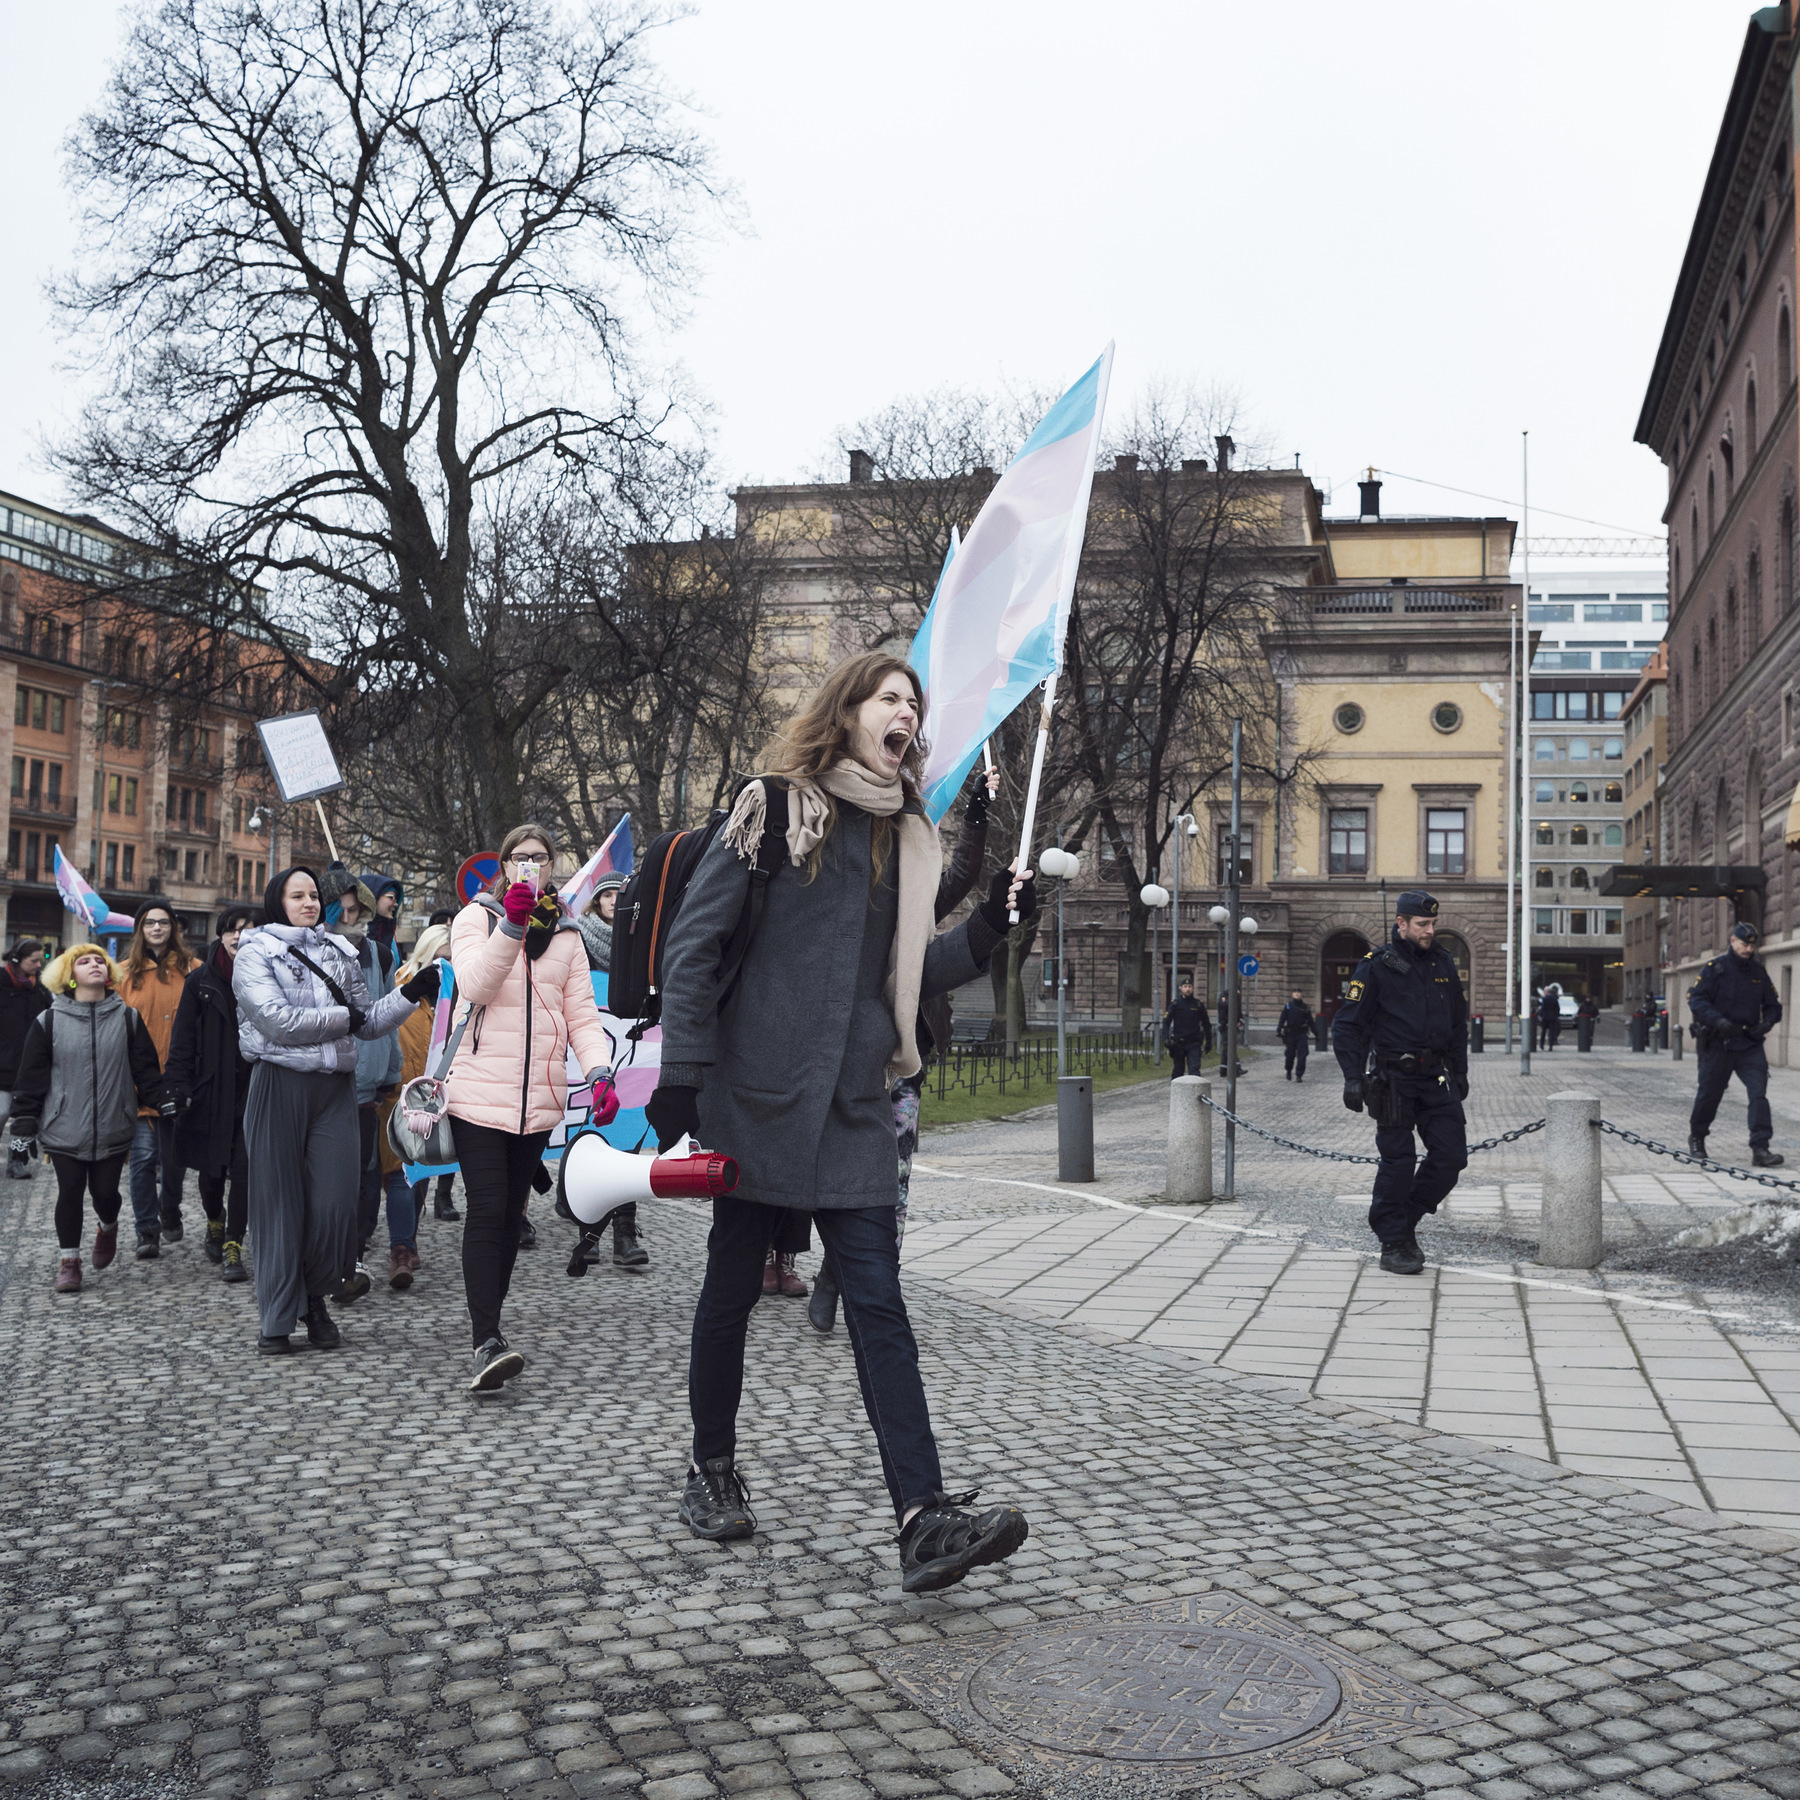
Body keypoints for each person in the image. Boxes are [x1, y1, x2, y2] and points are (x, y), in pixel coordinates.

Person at [649, 650, 1033, 1594]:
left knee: (879, 1304)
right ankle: (710, 1468)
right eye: (889, 697)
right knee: (731, 1289)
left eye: (914, 703)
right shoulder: (775, 809)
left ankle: (922, 1519)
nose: (907, 712)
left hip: (855, 1105)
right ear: (849, 711)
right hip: (759, 1096)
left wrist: (989, 930)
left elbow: (906, 976)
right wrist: (682, 1073)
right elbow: (694, 943)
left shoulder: (904, 839)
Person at [808, 766, 999, 1335]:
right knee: (833, 1175)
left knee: (892, 1180)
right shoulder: (836, 890)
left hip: (901, 1063)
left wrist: (978, 810)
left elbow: (962, 873)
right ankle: (833, 1263)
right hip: (841, 1057)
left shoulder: (916, 895)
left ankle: (858, 1284)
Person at [233, 867, 431, 1354]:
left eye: (313, 895)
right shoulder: (256, 951)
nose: (309, 903)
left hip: (335, 1089)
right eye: (296, 895)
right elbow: (276, 1021)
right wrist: (345, 1017)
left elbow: (369, 1023)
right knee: (279, 1206)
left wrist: (409, 993)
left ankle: (317, 1297)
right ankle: (279, 1317)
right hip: (278, 1083)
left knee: (336, 1203)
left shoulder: (340, 951)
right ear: (276, 901)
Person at [447, 823, 612, 1392]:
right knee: (488, 1208)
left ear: (551, 866)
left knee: (510, 1216)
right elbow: (475, 986)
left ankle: (489, 1328)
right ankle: (486, 1338)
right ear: (503, 865)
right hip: (476, 1094)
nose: (530, 865)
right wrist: (510, 925)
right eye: (520, 857)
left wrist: (598, 1073)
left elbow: (581, 1015)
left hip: (538, 1101)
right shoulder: (477, 918)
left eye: (540, 858)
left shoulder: (566, 933)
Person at [10, 943, 165, 1293]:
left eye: (100, 960)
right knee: (70, 1191)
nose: (95, 964)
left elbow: (146, 1072)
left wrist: (165, 1104)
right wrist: (23, 1124)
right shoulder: (49, 1021)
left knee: (105, 1193)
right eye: (84, 961)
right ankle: (69, 1262)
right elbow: (31, 1076)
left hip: (114, 1123)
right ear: (69, 975)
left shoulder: (128, 1018)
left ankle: (108, 1225)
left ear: (108, 972)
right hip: (63, 1126)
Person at [1331, 890, 1469, 1277]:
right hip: (1394, 1080)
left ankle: (1405, 1218)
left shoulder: (1442, 961)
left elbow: (1457, 1021)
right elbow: (1348, 1024)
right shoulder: (1375, 966)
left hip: (1435, 1077)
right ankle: (1393, 1242)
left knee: (1452, 1157)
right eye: (1422, 924)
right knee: (1398, 1162)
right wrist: (1352, 1076)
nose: (1430, 930)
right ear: (1401, 924)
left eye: (1433, 924)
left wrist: (1460, 1071)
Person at [321, 870, 418, 1293]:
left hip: (372, 1087)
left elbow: (385, 1020)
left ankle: (361, 1254)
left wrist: (391, 1073)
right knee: (336, 1180)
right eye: (343, 910)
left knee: (371, 1178)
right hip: (330, 1084)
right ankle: (333, 1257)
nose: (352, 918)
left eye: (357, 909)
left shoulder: (378, 954)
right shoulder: (315, 951)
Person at [165, 905, 258, 1282]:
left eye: (246, 929)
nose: (238, 936)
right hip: (211, 1089)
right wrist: (178, 1084)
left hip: (252, 1088)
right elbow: (183, 1039)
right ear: (220, 935)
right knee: (211, 1170)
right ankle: (215, 1219)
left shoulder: (265, 975)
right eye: (231, 929)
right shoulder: (199, 980)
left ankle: (234, 1242)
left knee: (244, 1169)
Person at [119, 901, 200, 1257]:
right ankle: (146, 1230)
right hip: (137, 1082)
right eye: (149, 922)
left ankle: (169, 1208)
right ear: (140, 928)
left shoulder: (193, 970)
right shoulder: (123, 974)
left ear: (173, 928)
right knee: (142, 1159)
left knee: (174, 1161)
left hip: (180, 1079)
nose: (156, 928)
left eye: (163, 922)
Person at [574, 870, 647, 1270]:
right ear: (596, 901)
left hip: (631, 1047)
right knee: (590, 1139)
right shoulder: (579, 939)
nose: (613, 901)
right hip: (592, 1048)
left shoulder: (641, 937)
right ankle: (588, 1233)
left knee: (626, 1141)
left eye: (621, 895)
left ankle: (625, 1234)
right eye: (607, 895)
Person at [1688, 921, 1785, 1166]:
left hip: (1749, 1044)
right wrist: (1717, 1020)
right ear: (1733, 941)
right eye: (1744, 944)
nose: (1748, 949)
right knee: (1709, 1094)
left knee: (1758, 1095)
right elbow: (1697, 1000)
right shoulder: (1715, 969)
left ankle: (1760, 1148)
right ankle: (1697, 1138)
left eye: (1752, 945)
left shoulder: (1758, 972)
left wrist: (1767, 1024)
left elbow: (1773, 1006)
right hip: (1719, 1043)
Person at [0, 939, 50, 1176]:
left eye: (41, 961)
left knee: (26, 1117)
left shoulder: (40, 987)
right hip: (4, 1063)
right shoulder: (1, 982)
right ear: (17, 960)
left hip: (31, 1065)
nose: (39, 965)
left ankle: (16, 1162)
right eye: (34, 961)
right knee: (1, 1112)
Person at [1162, 979, 1209, 1079]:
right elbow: (1166, 1022)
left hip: (1194, 1043)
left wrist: (1209, 1041)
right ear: (1181, 988)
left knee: (1194, 1072)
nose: (1187, 989)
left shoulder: (1198, 1005)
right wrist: (1165, 1038)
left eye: (1190, 986)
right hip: (1179, 1043)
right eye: (1185, 987)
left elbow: (1206, 1023)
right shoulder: (1175, 1004)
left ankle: (1195, 1089)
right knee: (1178, 1072)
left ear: (1193, 988)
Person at [1279, 989, 1314, 1081]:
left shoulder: (1305, 1007)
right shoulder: (1288, 1006)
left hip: (1301, 1033)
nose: (1297, 994)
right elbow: (1282, 1018)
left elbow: (1310, 1021)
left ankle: (1299, 1074)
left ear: (1301, 994)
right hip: (1291, 1034)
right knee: (1290, 1055)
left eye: (1298, 992)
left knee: (1302, 1055)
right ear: (1292, 994)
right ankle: (1288, 1070)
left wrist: (1316, 1033)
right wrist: (1279, 1029)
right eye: (1295, 992)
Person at [1537, 985, 1562, 1052]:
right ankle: (1550, 1045)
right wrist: (1556, 1015)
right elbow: (1557, 1008)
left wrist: (1541, 1016)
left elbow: (1543, 1008)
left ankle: (1542, 1045)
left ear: (1547, 991)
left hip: (1545, 1017)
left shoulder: (1544, 999)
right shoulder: (1554, 999)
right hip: (1552, 1017)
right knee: (1551, 1032)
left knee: (1543, 1031)